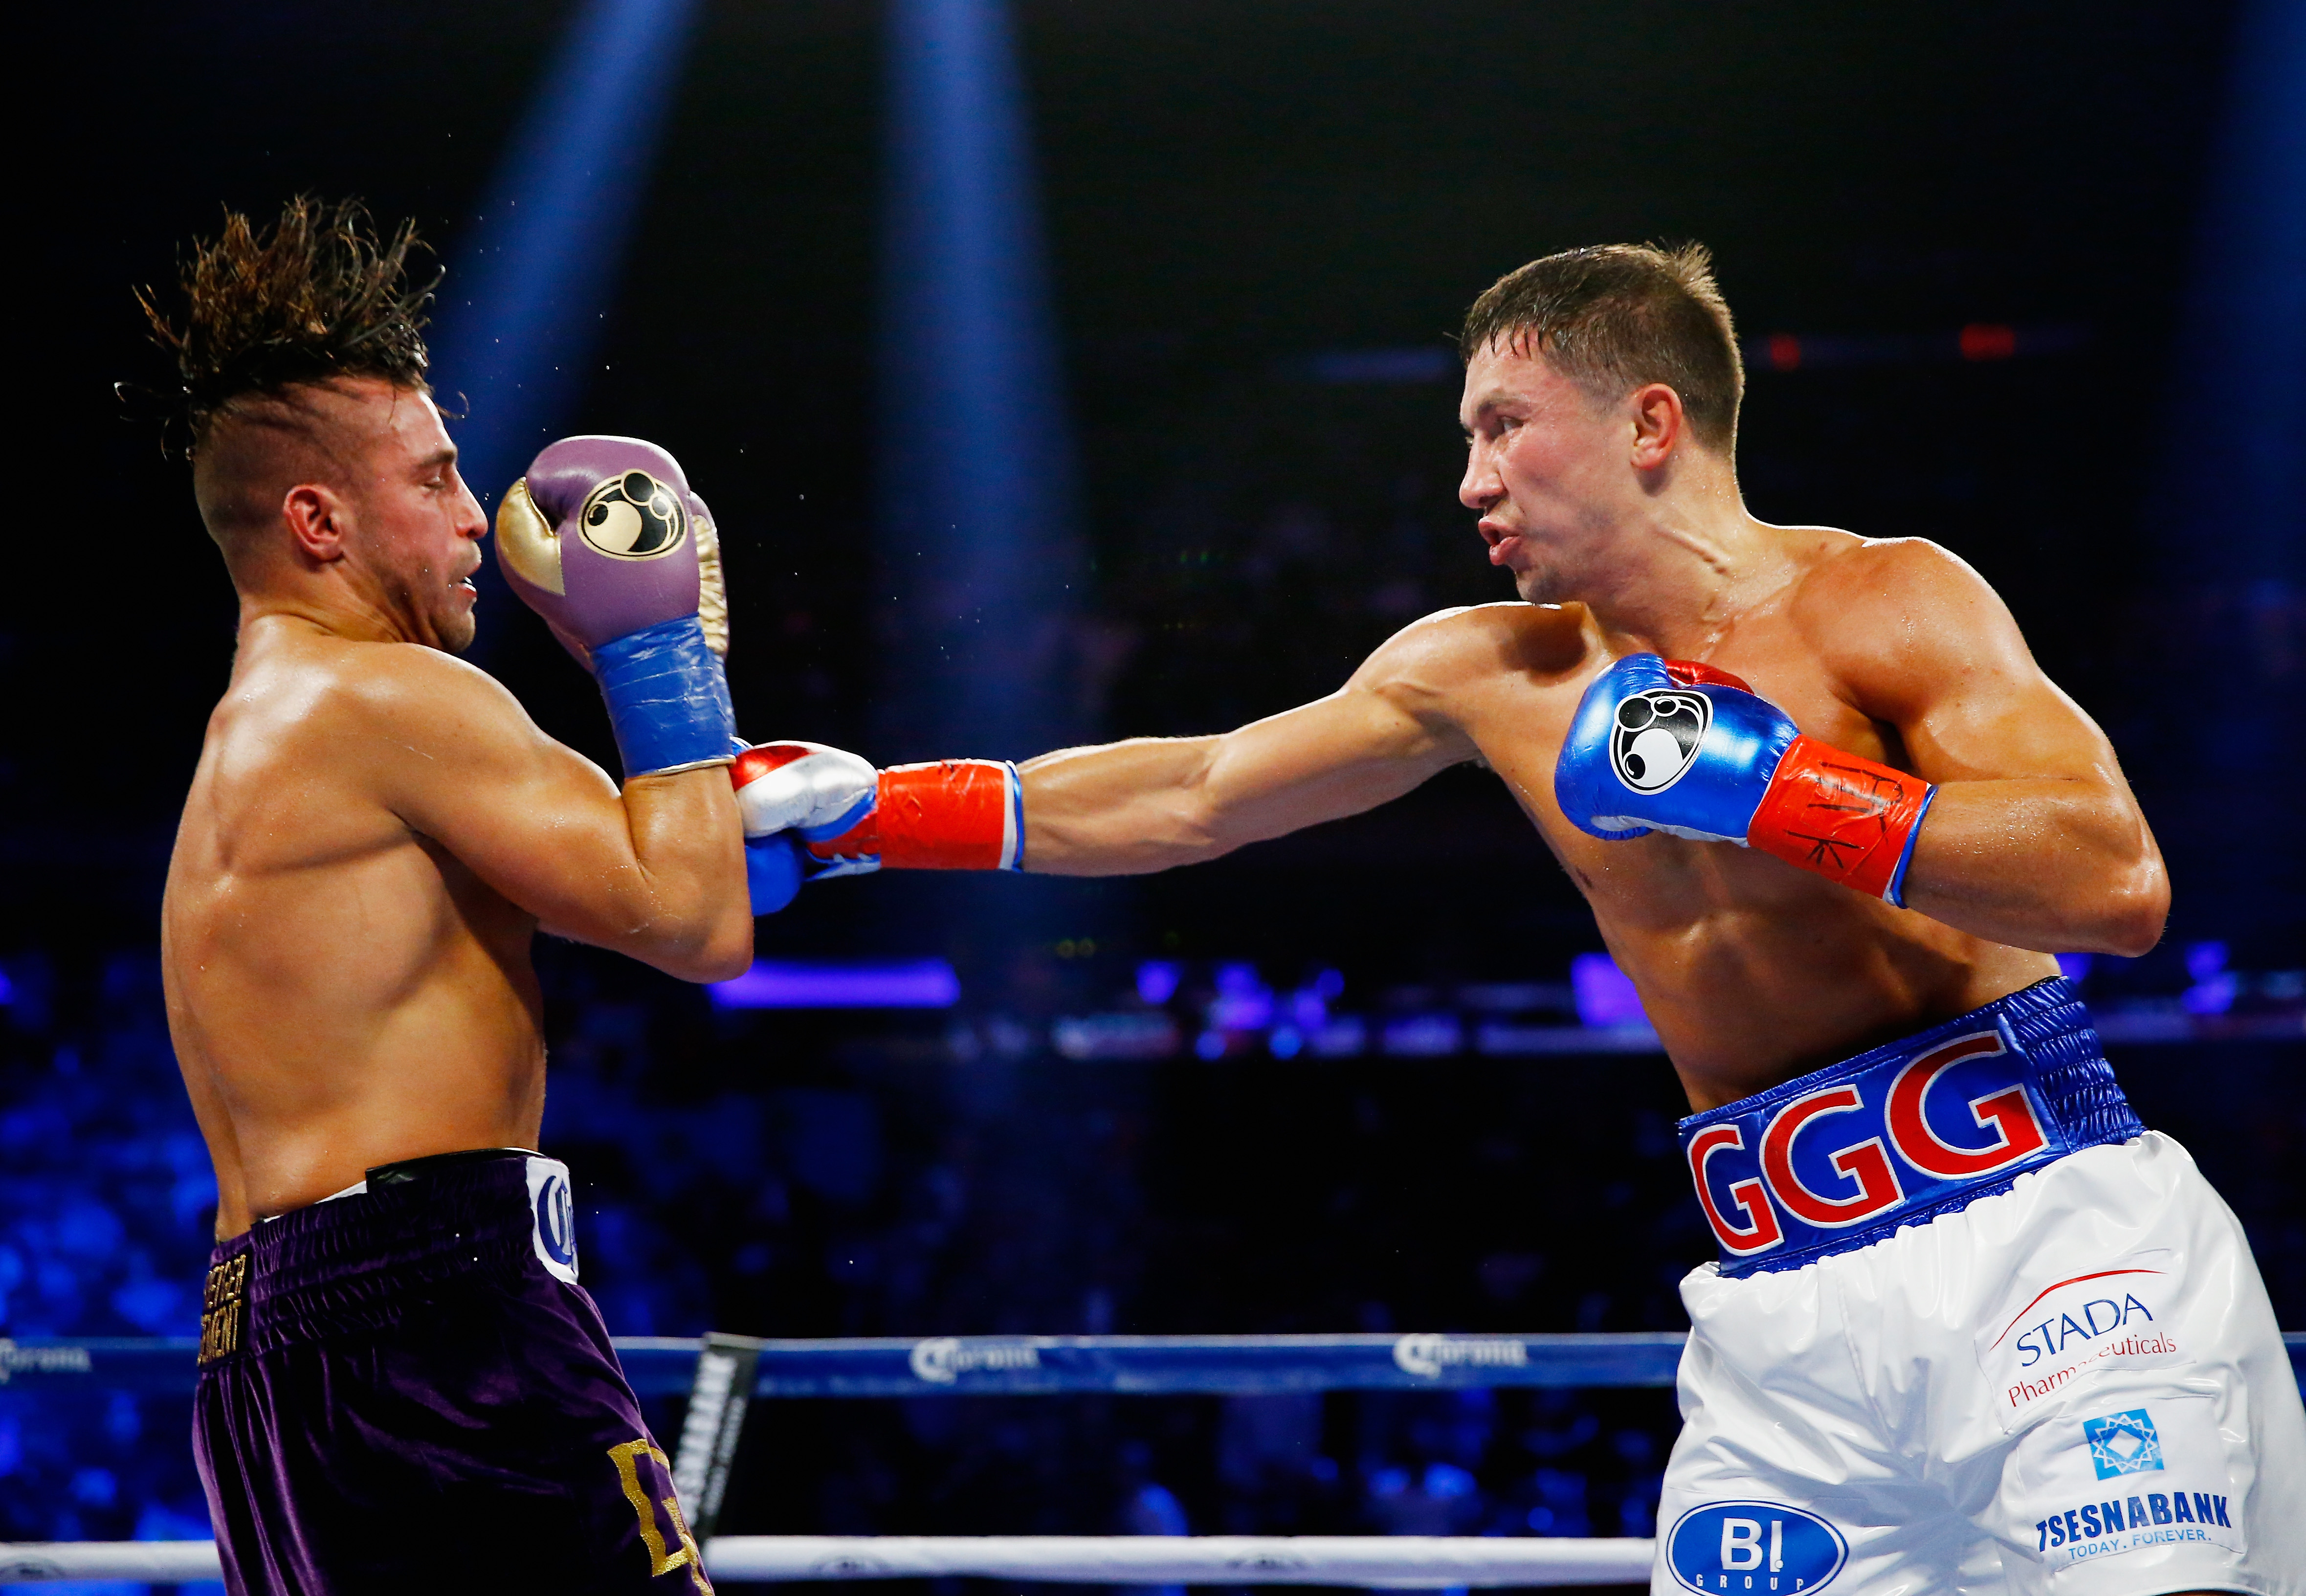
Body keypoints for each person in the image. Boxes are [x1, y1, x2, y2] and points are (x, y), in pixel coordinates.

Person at [738, 244, 2305, 1595]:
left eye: (1503, 425)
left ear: (1647, 423)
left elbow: (2113, 884)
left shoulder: (1883, 601)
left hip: (2052, 1248)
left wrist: (1777, 792)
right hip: (1785, 1316)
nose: (1469, 478)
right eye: (1465, 435)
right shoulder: (1481, 671)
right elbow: (1199, 790)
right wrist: (872, 812)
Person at [149, 198, 751, 1594]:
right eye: (431, 479)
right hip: (441, 1327)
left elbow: (658, 862)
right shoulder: (392, 696)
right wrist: (662, 653)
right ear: (318, 517)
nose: (477, 514)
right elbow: (695, 921)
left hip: (268, 1357)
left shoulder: (259, 728)